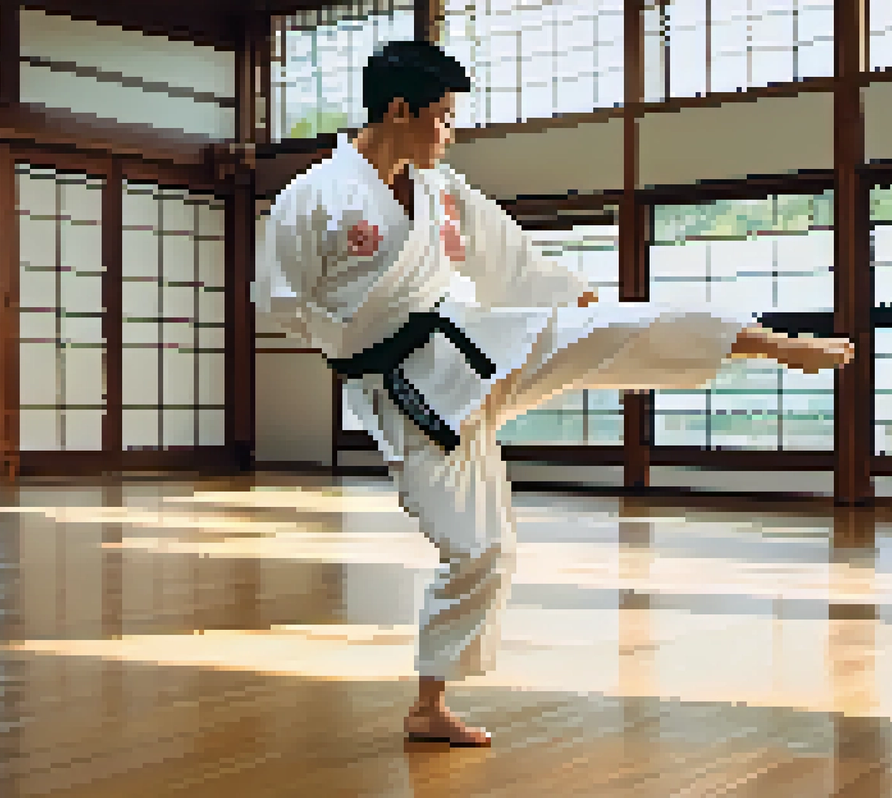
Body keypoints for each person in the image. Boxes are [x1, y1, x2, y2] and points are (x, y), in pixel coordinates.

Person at [253, 40, 854, 748]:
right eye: (442, 119)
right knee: (483, 551)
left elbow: (515, 260)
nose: (450, 133)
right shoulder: (314, 197)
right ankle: (429, 705)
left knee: (604, 329)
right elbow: (282, 304)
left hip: (474, 343)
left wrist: (577, 298)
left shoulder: (443, 193)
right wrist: (364, 343)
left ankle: (763, 342)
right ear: (398, 109)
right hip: (407, 394)